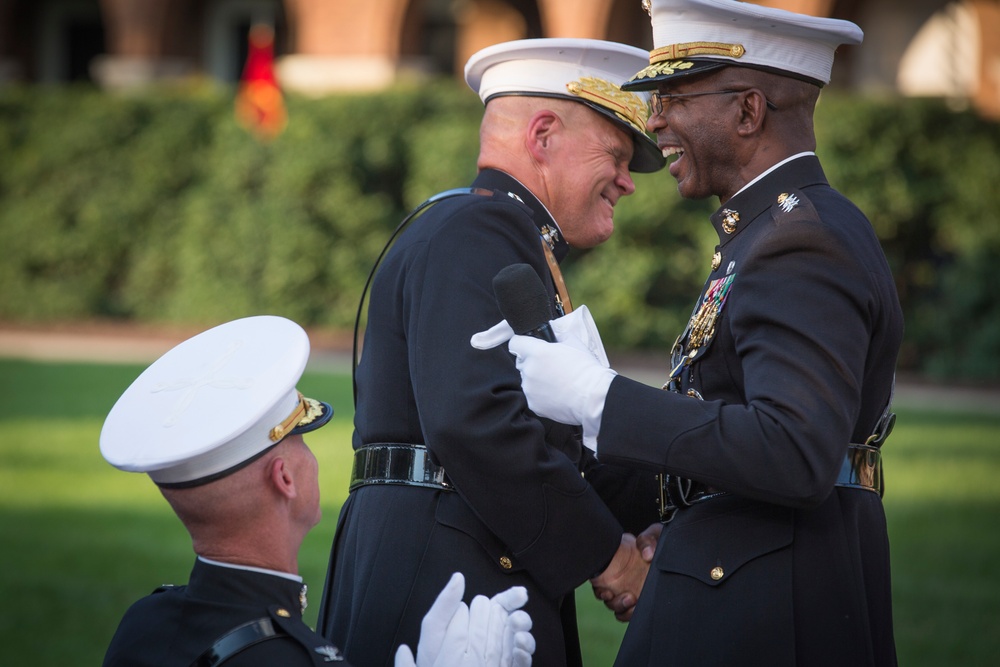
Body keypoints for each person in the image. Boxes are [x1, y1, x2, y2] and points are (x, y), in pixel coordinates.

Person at [475, 1, 904, 665]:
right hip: (750, 578)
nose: (654, 121)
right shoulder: (767, 234)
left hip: (770, 604)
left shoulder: (800, 241)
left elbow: (795, 450)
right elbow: (738, 437)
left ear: (748, 111)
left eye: (674, 97)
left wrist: (603, 398)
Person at [316, 39, 665, 667]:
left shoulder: (484, 230)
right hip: (449, 585)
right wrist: (608, 557)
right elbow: (475, 421)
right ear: (542, 136)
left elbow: (559, 441)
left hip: (439, 561)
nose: (627, 182)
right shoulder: (484, 230)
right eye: (615, 155)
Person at [99, 315, 535, 667]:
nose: (312, 457)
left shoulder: (145, 622)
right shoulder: (288, 656)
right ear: (284, 478)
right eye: (301, 439)